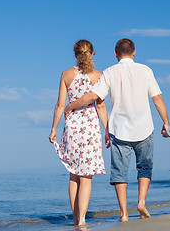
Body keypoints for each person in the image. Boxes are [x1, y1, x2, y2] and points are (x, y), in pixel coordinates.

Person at [64, 38, 169, 221]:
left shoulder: (109, 72)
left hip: (120, 129)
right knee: (144, 167)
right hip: (144, 127)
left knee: (120, 171)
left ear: (115, 53)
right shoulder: (145, 70)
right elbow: (157, 98)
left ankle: (124, 214)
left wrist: (70, 106)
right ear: (134, 52)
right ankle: (141, 202)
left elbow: (92, 96)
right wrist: (166, 122)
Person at [48, 39, 109, 226]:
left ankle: (76, 218)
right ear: (93, 54)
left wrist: (53, 129)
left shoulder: (66, 74)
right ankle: (82, 219)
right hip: (90, 128)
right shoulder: (98, 76)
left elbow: (60, 105)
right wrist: (108, 130)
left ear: (75, 55)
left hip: (72, 128)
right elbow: (101, 106)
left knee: (74, 175)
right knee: (86, 176)